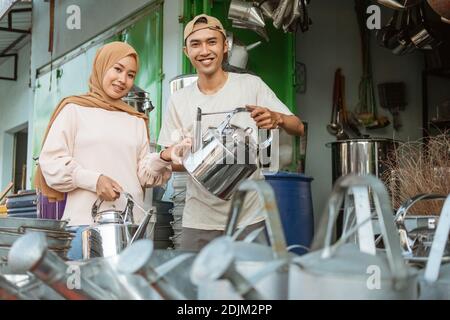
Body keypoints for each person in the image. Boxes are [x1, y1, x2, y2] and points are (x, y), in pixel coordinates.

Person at [157, 14, 304, 251]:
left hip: (248, 218)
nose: (204, 50)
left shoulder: (250, 85)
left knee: (249, 285)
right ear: (187, 52)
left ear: (225, 46)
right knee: (195, 285)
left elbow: (298, 127)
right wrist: (182, 154)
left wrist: (277, 118)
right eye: (196, 44)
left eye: (212, 42)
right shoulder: (179, 100)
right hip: (199, 220)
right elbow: (171, 161)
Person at [36, 42, 190, 260]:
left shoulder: (135, 120)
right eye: (117, 69)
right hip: (85, 227)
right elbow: (51, 162)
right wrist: (94, 180)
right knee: (85, 291)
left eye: (130, 74)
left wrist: (164, 156)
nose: (122, 80)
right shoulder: (74, 110)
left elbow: (143, 174)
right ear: (101, 66)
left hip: (132, 228)